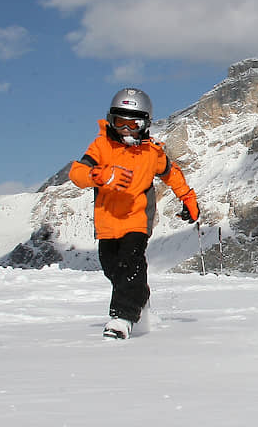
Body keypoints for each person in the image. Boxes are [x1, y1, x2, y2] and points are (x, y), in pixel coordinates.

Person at [69, 87, 199, 339]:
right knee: (113, 268)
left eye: (134, 123)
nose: (126, 129)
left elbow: (172, 174)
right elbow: (77, 173)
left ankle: (122, 318)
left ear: (145, 124)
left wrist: (187, 197)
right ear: (111, 121)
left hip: (136, 220)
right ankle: (141, 301)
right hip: (107, 223)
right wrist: (98, 175)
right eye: (120, 122)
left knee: (131, 263)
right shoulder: (101, 146)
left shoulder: (152, 153)